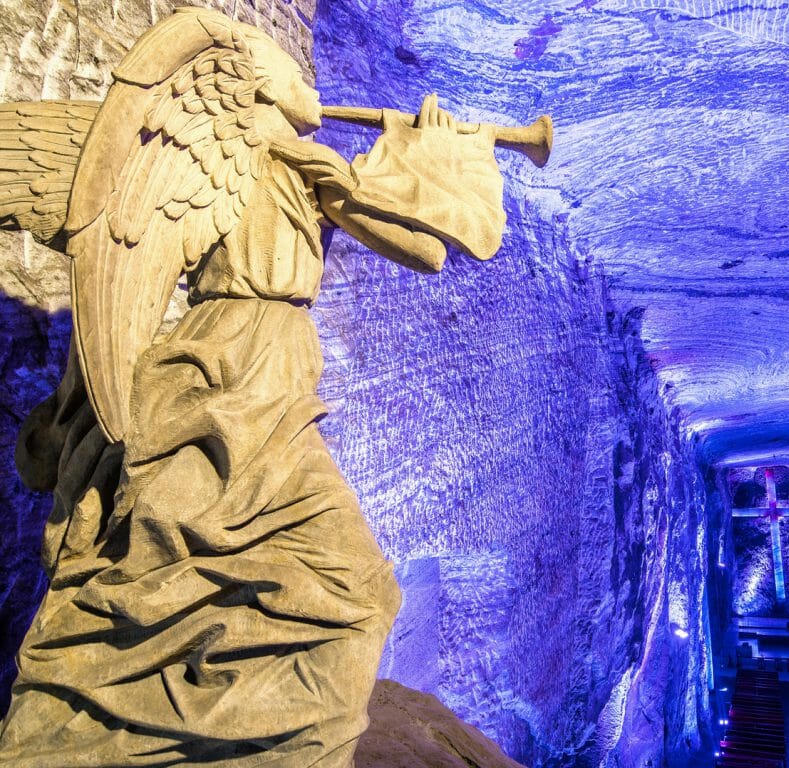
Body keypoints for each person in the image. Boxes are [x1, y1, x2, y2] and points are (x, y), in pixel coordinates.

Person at [1, 9, 504, 766]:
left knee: (320, 583)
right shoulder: (270, 157)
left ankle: (234, 733)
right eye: (278, 69)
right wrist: (417, 160)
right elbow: (428, 241)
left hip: (270, 375)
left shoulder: (309, 163)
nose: (307, 84)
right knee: (316, 581)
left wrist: (437, 152)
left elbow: (432, 248)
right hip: (227, 375)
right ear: (253, 92)